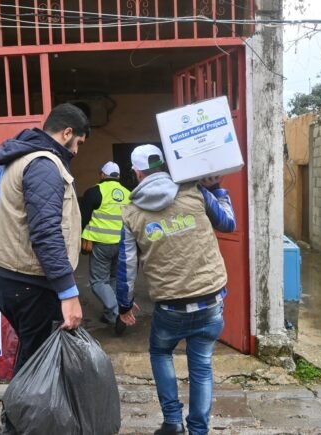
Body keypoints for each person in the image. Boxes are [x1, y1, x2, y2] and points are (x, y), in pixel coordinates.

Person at [116, 144, 236, 435]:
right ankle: (198, 430)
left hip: (170, 307)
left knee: (160, 352)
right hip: (210, 299)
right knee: (202, 364)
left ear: (136, 171)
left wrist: (124, 304)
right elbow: (228, 223)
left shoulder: (131, 212)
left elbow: (126, 266)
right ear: (165, 166)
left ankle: (172, 421)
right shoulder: (196, 192)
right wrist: (218, 188)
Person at [0, 103, 90, 376]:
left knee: (33, 357)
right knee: (38, 369)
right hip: (31, 286)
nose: (76, 151)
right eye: (78, 142)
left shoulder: (18, 157)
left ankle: (24, 415)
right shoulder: (43, 165)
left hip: (12, 279)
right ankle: (24, 418)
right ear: (67, 133)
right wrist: (68, 292)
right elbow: (45, 232)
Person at [80, 161, 131, 332]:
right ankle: (110, 316)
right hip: (122, 245)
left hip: (101, 244)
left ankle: (118, 313)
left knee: (98, 282)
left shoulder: (94, 192)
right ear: (118, 176)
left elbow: (83, 218)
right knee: (113, 279)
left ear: (102, 174)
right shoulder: (128, 194)